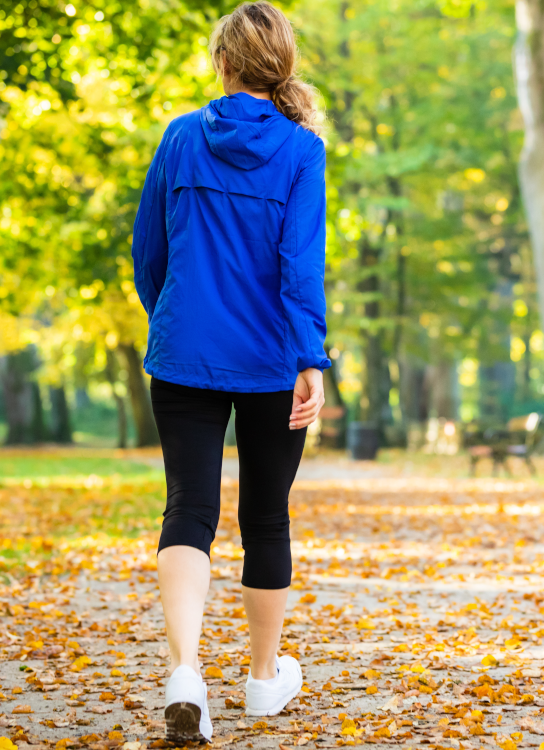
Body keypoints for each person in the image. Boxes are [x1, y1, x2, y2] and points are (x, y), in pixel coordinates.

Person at [130, 2, 329, 742]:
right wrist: (312, 357)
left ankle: (186, 672)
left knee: (188, 509)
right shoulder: (301, 150)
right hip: (274, 359)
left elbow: (148, 249)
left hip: (185, 354)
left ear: (223, 62)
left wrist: (175, 316)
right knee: (266, 516)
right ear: (282, 64)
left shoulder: (182, 138)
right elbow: (299, 268)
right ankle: (260, 680)